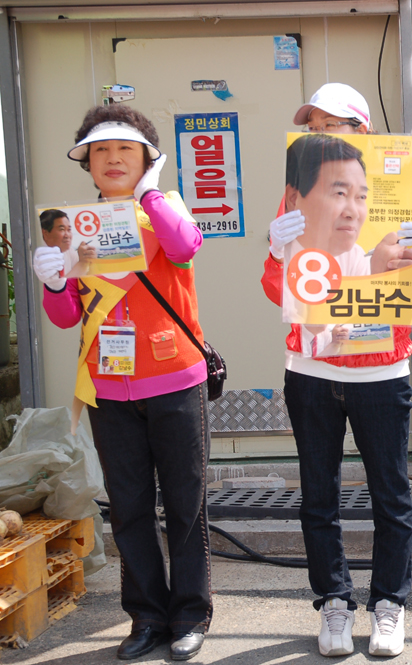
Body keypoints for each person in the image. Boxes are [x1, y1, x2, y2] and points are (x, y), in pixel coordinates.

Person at [261, 83, 412, 658]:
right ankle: (334, 603)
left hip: (381, 372)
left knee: (391, 495)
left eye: (333, 123)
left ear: (363, 132)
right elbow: (278, 292)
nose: (321, 131)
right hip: (310, 369)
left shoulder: (404, 201)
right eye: (313, 124)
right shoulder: (295, 201)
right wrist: (275, 251)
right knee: (318, 497)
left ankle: (389, 604)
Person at [31, 105, 212, 660]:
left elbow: (185, 247)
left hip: (175, 379)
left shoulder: (165, 208)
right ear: (87, 164)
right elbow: (67, 316)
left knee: (185, 505)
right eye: (101, 151)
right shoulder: (72, 228)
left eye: (125, 149)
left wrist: (151, 194)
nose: (112, 159)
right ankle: (147, 617)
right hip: (108, 387)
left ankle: (190, 614)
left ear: (147, 159)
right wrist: (54, 281)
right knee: (129, 508)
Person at [39, 208, 96, 275]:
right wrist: (82, 263)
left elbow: (83, 276)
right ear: (45, 233)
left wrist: (90, 262)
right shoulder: (41, 257)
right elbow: (58, 282)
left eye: (69, 230)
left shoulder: (68, 251)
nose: (67, 235)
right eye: (62, 229)